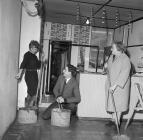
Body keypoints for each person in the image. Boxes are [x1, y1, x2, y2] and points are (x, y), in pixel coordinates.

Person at [105, 41, 131, 127]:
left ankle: (117, 122)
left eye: (113, 48)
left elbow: (125, 73)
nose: (111, 49)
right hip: (112, 83)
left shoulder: (125, 59)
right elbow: (109, 68)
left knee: (119, 104)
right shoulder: (112, 56)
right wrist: (105, 67)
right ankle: (113, 119)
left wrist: (115, 85)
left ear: (119, 49)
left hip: (120, 86)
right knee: (113, 103)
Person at [15, 40, 44, 107]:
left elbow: (38, 66)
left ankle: (29, 107)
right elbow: (23, 64)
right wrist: (19, 73)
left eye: (37, 48)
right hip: (29, 75)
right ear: (31, 48)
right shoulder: (27, 55)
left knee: (34, 90)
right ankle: (29, 107)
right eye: (35, 48)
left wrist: (41, 59)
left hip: (35, 74)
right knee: (32, 91)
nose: (36, 50)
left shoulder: (35, 56)